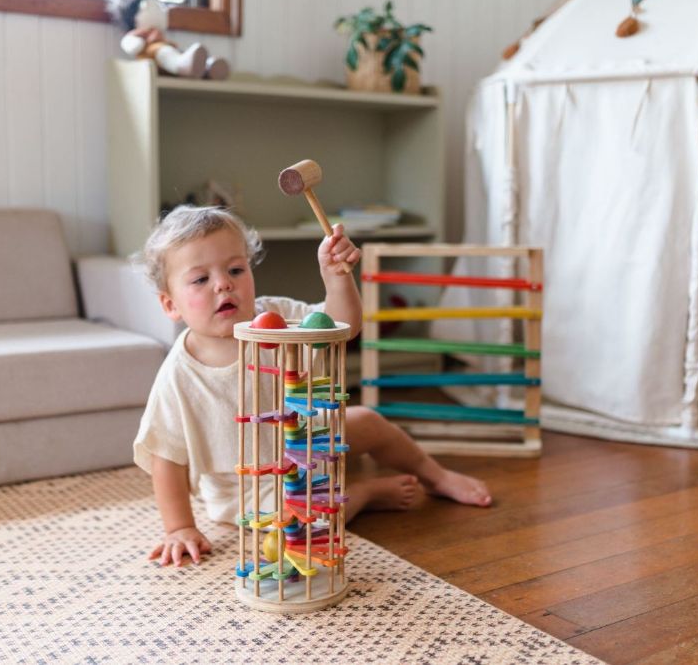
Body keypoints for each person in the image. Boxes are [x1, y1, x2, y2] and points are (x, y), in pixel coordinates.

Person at [133, 205, 492, 567]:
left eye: (235, 270)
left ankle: (436, 475)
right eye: (200, 280)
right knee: (302, 521)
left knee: (367, 419)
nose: (223, 283)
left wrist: (336, 277)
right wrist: (179, 527)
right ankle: (364, 494)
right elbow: (166, 458)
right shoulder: (179, 375)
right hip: (251, 489)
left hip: (308, 445)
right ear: (170, 304)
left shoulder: (276, 316)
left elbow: (341, 327)